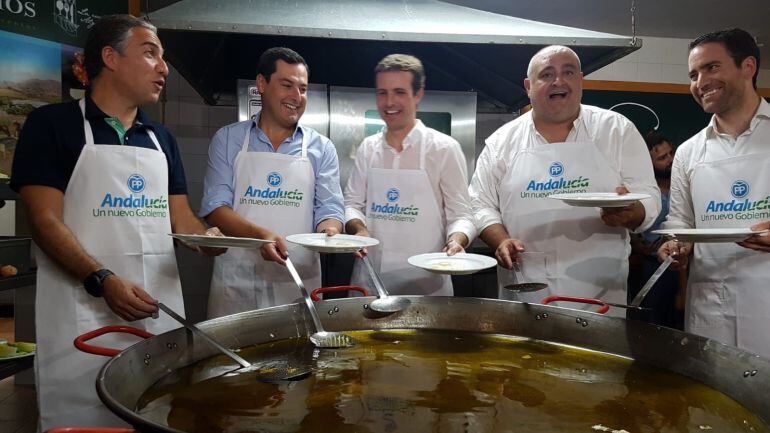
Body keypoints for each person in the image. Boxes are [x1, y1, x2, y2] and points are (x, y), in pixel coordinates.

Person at [9, 15, 222, 429]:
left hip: (157, 318)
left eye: (163, 58)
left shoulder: (161, 139)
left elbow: (182, 220)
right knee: (84, 418)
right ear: (110, 57)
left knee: (154, 413)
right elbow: (43, 220)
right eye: (150, 54)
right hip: (81, 321)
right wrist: (101, 279)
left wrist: (207, 239)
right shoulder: (51, 125)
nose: (163, 67)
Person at [469, 45, 660, 316]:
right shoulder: (502, 141)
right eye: (546, 74)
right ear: (528, 85)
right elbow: (480, 203)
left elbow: (648, 196)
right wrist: (500, 241)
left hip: (600, 291)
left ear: (580, 80)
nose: (558, 81)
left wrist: (632, 212)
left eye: (568, 72)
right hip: (526, 285)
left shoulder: (616, 130)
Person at [200, 47, 344, 317]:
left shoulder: (321, 148)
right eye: (286, 85)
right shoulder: (228, 139)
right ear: (262, 84)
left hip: (297, 280)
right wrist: (260, 236)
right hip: (237, 282)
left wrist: (330, 231)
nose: (296, 97)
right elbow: (216, 207)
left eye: (302, 89)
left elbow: (329, 210)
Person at [658, 28, 770, 356]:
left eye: (712, 67)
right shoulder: (690, 152)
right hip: (710, 304)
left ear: (748, 67)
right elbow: (681, 224)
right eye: (693, 74)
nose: (700, 82)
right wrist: (675, 247)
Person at [344, 54, 477, 296]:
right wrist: (358, 229)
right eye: (382, 93)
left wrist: (457, 240)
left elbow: (462, 215)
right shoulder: (367, 148)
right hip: (370, 281)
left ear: (418, 94)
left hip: (427, 285)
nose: (389, 102)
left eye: (399, 92)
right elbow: (352, 204)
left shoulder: (444, 149)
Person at [627, 130, 684, 328]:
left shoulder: (683, 186)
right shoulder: (642, 194)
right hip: (650, 266)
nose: (670, 160)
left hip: (682, 264)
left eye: (671, 153)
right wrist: (637, 245)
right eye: (662, 157)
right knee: (652, 322)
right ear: (649, 163)